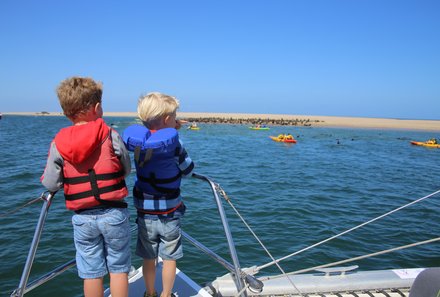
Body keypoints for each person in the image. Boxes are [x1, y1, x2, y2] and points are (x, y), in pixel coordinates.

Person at [41, 77, 132, 297]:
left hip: (82, 219)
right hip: (114, 214)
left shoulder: (58, 144)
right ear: (97, 107)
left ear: (66, 111)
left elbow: (51, 182)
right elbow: (126, 168)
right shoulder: (111, 135)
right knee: (118, 269)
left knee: (91, 272)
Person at [122, 92, 195, 297]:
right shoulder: (175, 144)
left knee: (148, 257)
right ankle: (166, 294)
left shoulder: (138, 145)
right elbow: (187, 170)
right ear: (166, 119)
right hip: (170, 213)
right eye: (174, 116)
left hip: (144, 213)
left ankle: (151, 292)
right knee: (170, 258)